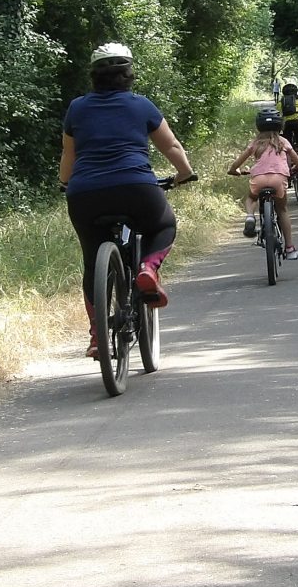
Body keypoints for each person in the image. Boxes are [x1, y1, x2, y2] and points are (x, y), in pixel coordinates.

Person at [59, 42, 196, 355]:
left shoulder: (77, 108)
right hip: (136, 188)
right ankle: (147, 268)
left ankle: (98, 336)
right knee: (163, 226)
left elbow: (69, 154)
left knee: (92, 261)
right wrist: (184, 173)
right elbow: (171, 146)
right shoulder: (141, 105)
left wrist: (65, 183)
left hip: (85, 194)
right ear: (129, 74)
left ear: (94, 76)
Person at [227, 108, 298, 259]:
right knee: (282, 210)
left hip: (258, 179)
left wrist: (235, 171)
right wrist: (297, 167)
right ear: (280, 126)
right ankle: (290, 248)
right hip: (278, 180)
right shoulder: (283, 142)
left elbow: (236, 164)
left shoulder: (255, 143)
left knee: (251, 198)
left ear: (259, 126)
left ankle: (250, 216)